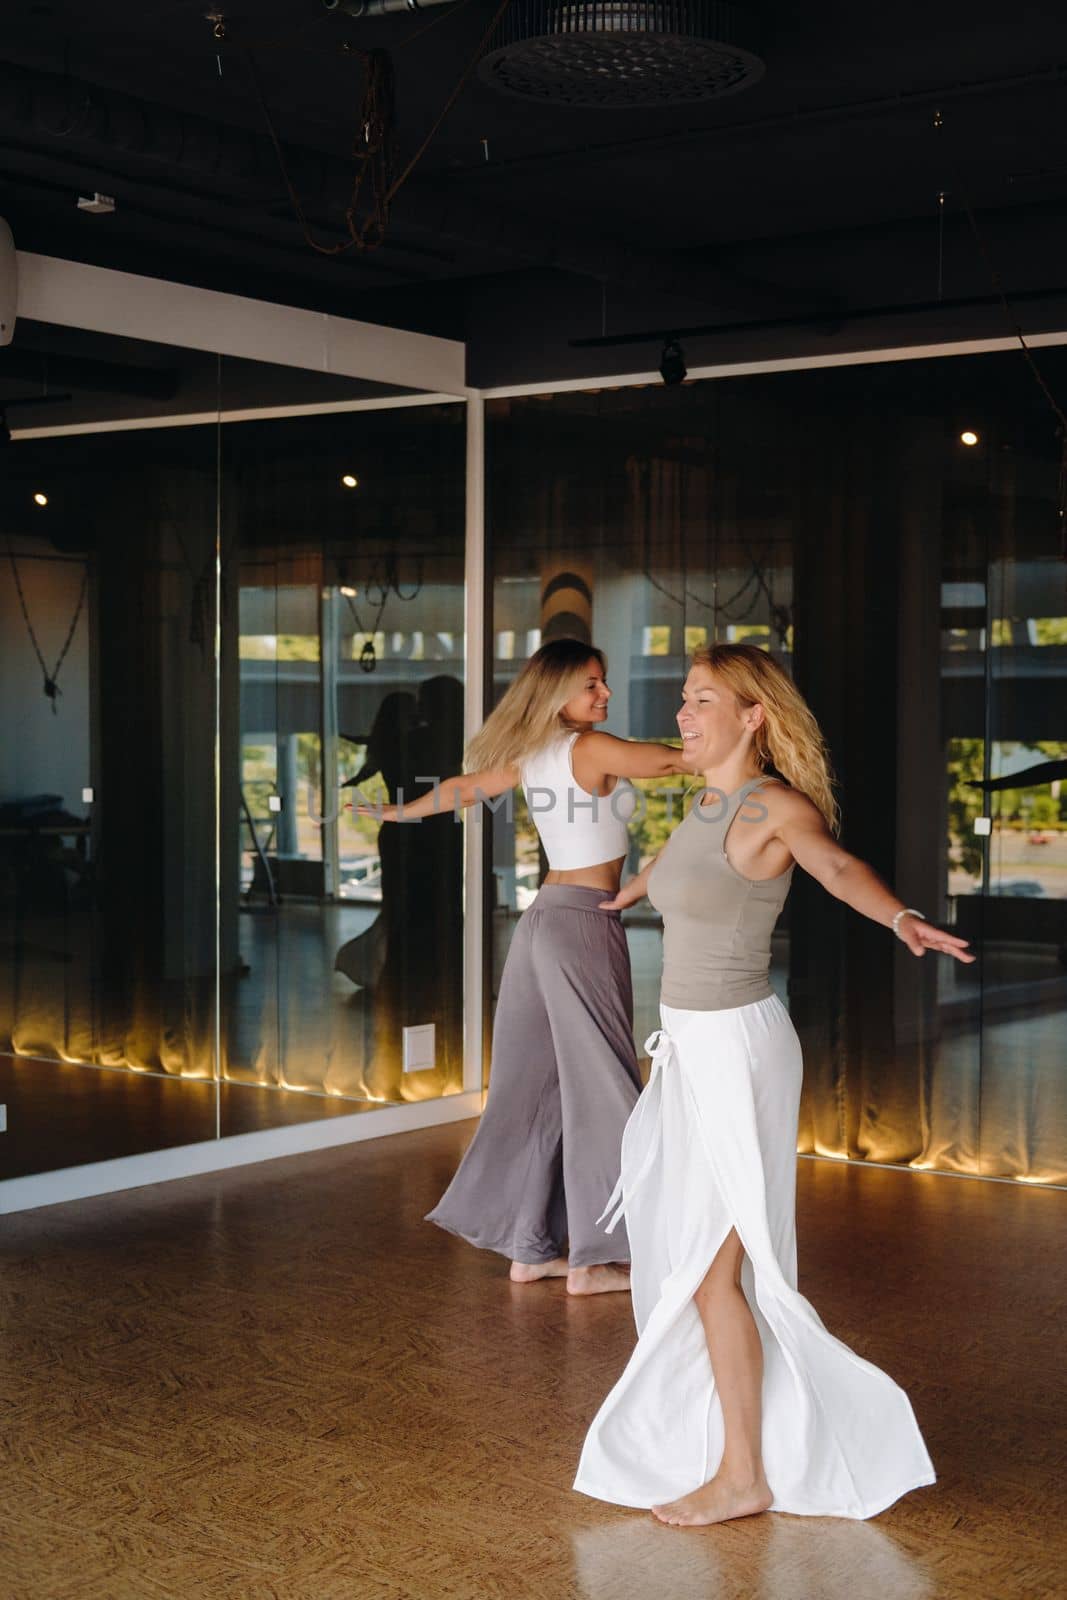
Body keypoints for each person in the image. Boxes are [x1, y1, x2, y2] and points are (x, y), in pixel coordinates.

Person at [574, 642, 973, 1520]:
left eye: (702, 699)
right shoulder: (704, 799)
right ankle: (736, 1452)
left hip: (734, 1051)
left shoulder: (771, 807)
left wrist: (899, 915)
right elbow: (678, 866)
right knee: (697, 1262)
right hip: (686, 1049)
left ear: (752, 714)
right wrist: (618, 892)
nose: (682, 712)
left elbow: (831, 866)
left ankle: (745, 1475)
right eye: (683, 696)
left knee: (716, 1272)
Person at [355, 637, 688, 1295]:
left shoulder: (536, 754)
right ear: (557, 692)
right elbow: (669, 764)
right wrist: (742, 742)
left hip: (544, 920)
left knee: (539, 1085)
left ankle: (531, 1247)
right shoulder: (589, 747)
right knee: (602, 1083)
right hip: (583, 920)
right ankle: (601, 1255)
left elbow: (459, 790)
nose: (604, 695)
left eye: (603, 682)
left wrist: (391, 811)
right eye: (592, 684)